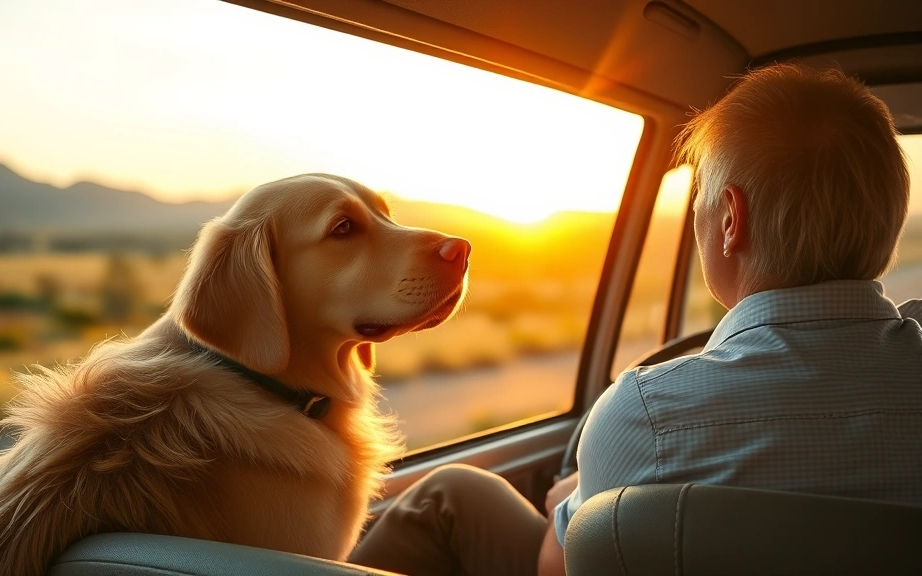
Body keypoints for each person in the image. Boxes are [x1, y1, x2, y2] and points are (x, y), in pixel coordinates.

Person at [347, 62, 922, 576]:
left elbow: (560, 567)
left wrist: (566, 500)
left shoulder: (645, 414)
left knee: (449, 494)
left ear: (729, 220)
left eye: (700, 200)